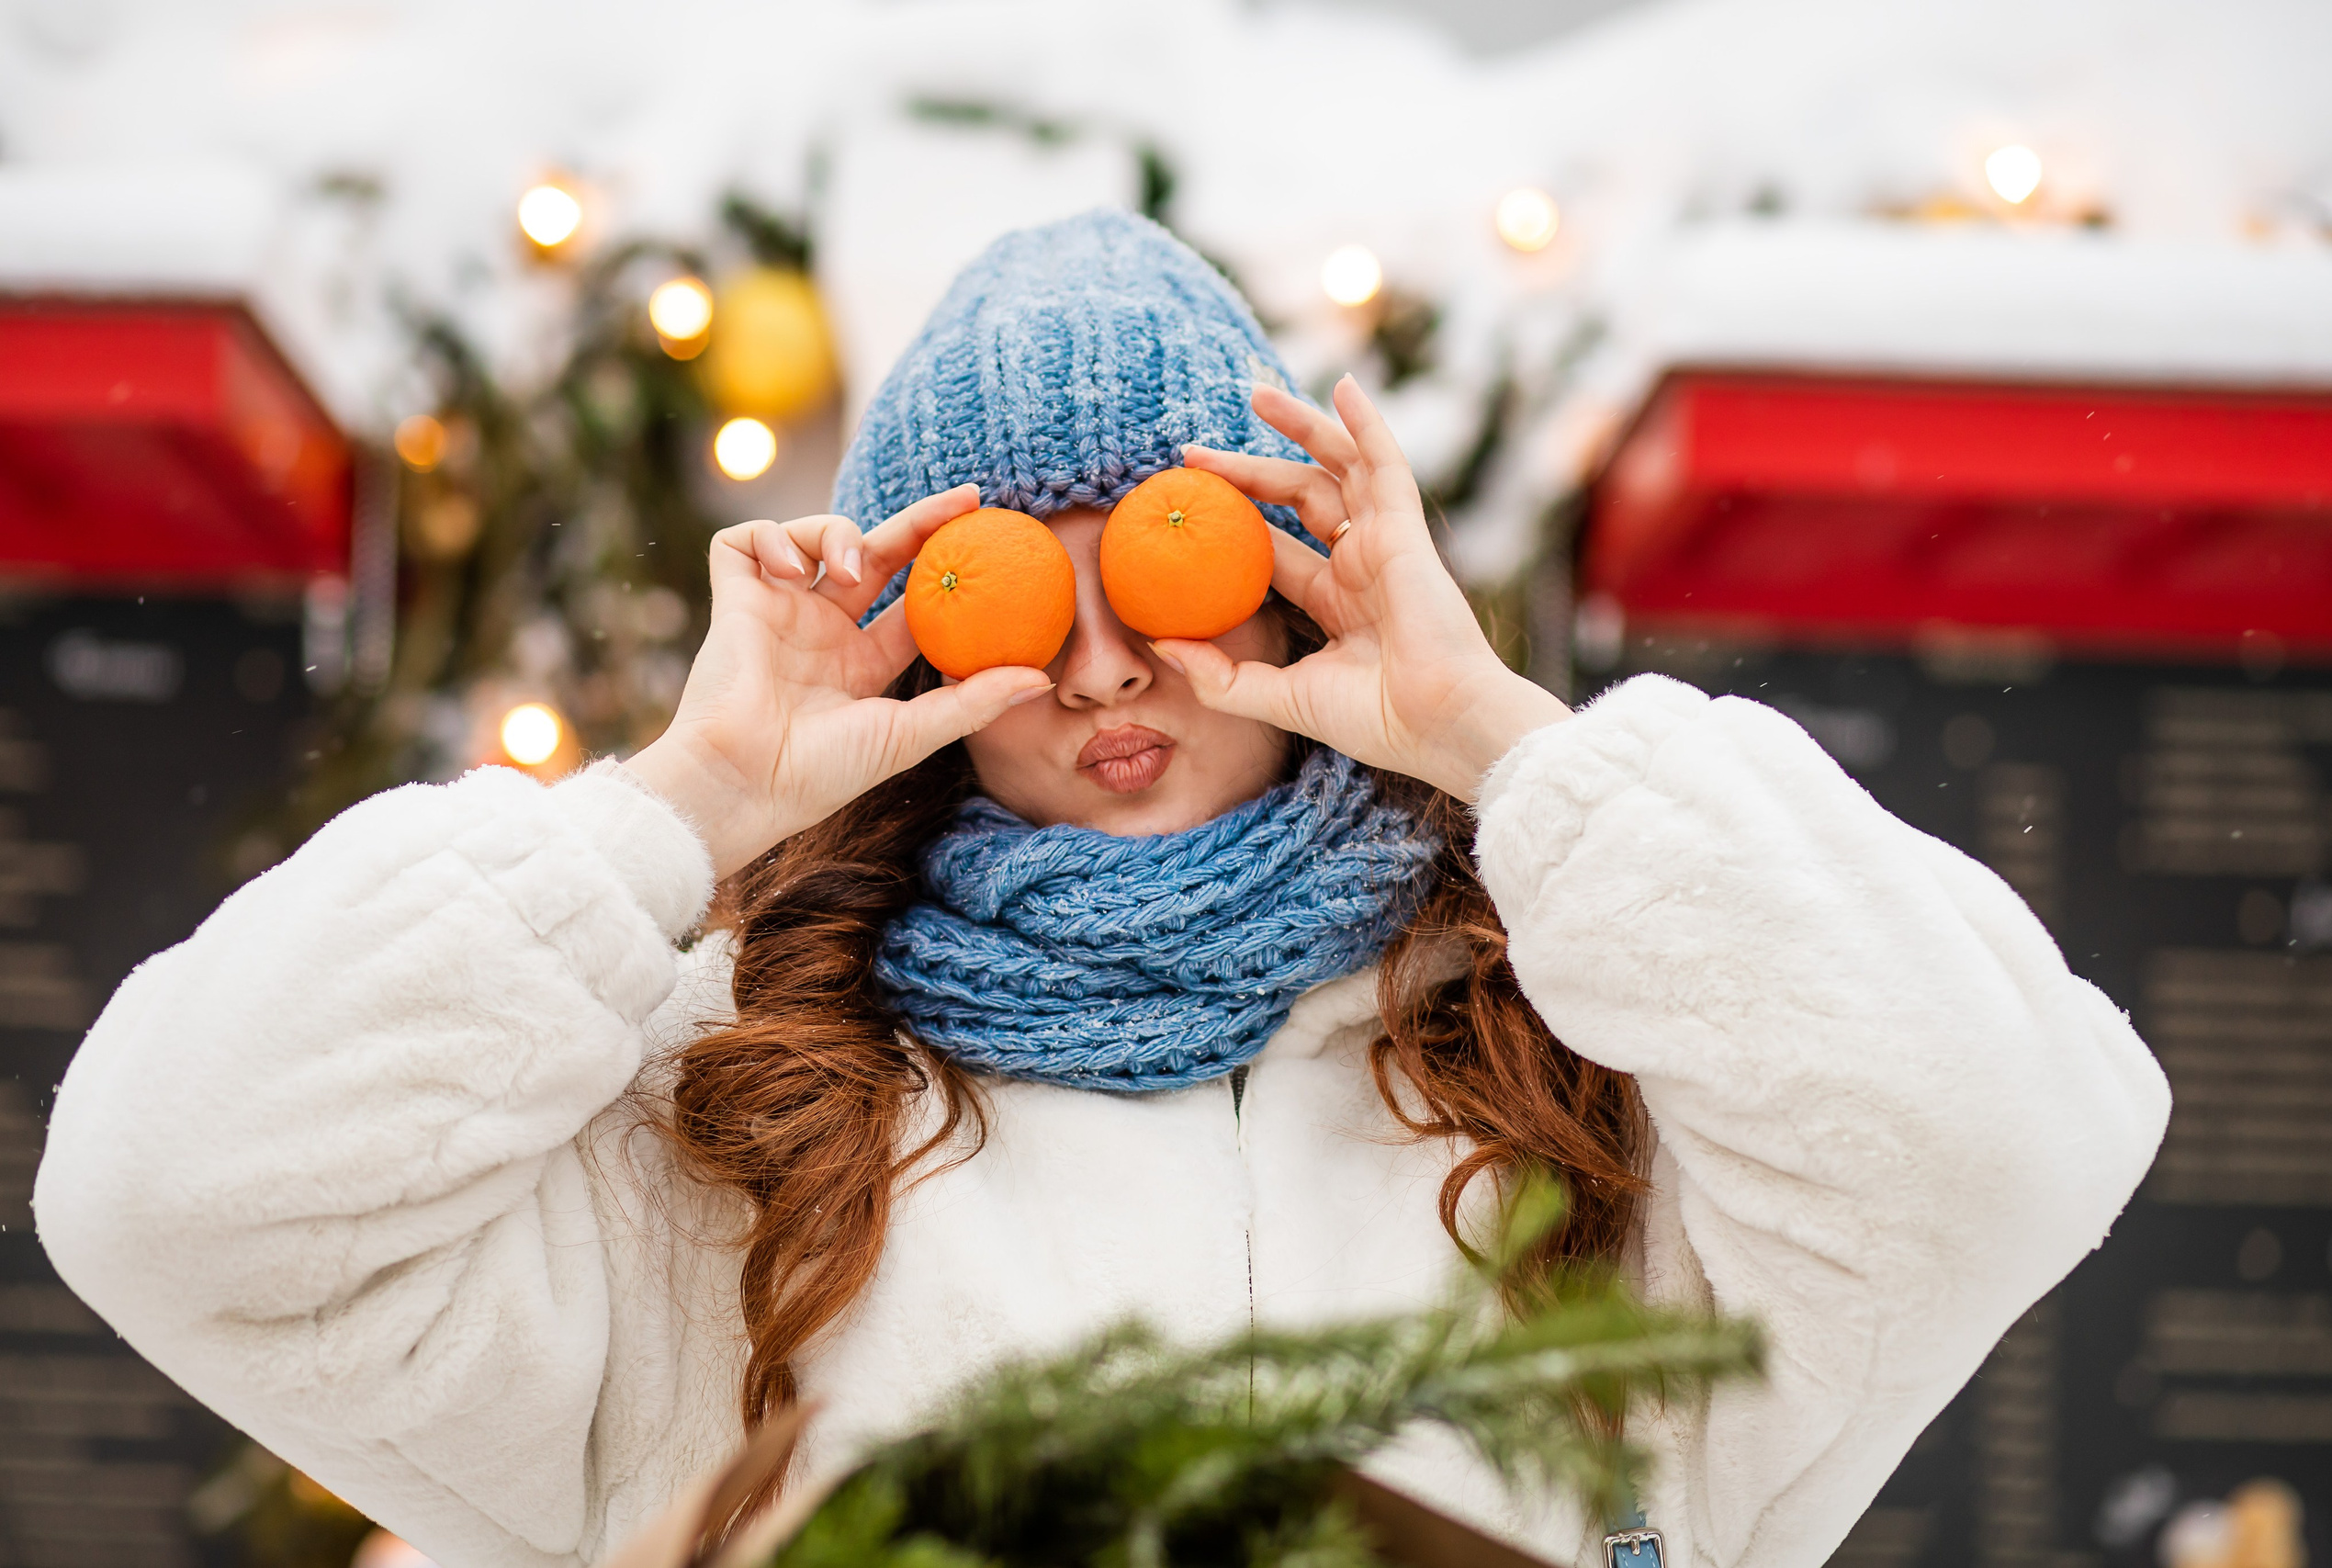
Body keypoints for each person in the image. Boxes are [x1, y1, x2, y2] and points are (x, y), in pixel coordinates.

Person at [35, 210, 2169, 1568]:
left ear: (1288, 571)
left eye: (1164, 560)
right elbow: (169, 1195)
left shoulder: (1576, 1073)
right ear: (909, 647)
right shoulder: (726, 1127)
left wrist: (1498, 734)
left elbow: (2008, 1134)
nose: (1094, 665)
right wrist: (685, 797)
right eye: (1002, 595)